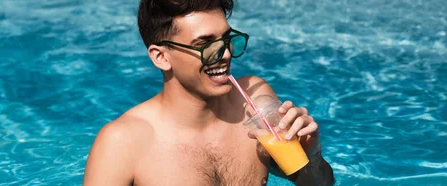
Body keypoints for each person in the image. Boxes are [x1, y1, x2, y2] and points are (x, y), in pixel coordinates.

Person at [83, 0, 335, 185]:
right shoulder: (121, 143)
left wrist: (312, 156)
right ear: (161, 57)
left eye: (226, 39)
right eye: (204, 44)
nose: (224, 54)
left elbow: (316, 183)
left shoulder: (253, 99)